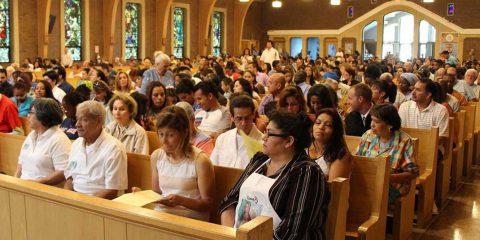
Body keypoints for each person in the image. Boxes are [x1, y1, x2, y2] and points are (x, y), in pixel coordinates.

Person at [219, 111, 327, 239]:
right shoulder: (259, 160)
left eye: (269, 133)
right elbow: (230, 201)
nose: (264, 137)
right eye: (265, 131)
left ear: (288, 141)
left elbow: (293, 231)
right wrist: (231, 235)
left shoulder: (306, 172)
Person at [142, 106, 215, 220]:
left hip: (191, 220)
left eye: (170, 135)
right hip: (163, 216)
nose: (164, 141)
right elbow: (156, 192)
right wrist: (141, 195)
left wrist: (180, 200)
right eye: (161, 134)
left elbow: (208, 204)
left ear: (184, 133)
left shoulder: (200, 161)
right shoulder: (157, 156)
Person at [356, 104, 419, 204]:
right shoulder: (368, 135)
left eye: (377, 122)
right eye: (372, 120)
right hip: (368, 181)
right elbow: (357, 160)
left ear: (390, 124)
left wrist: (386, 178)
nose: (372, 124)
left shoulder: (404, 141)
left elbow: (412, 173)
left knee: (365, 197)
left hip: (392, 185)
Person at [64, 100, 128, 199]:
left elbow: (112, 190)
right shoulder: (76, 144)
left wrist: (82, 204)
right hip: (76, 201)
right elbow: (69, 178)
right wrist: (66, 199)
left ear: (98, 121)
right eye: (77, 119)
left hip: (99, 206)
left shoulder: (114, 148)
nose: (77, 124)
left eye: (84, 120)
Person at [15, 98, 71, 185]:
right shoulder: (31, 135)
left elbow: (62, 172)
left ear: (43, 115)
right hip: (24, 187)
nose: (28, 115)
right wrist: (14, 183)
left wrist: (36, 183)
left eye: (31, 112)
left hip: (43, 191)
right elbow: (20, 164)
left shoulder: (59, 139)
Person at [211, 95, 263, 169]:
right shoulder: (222, 139)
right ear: (232, 118)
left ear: (253, 115)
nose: (243, 123)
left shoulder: (262, 143)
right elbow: (213, 166)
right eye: (239, 119)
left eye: (247, 118)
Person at [308, 108, 352, 180]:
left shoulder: (340, 154)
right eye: (318, 123)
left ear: (335, 131)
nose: (321, 127)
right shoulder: (304, 147)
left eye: (328, 125)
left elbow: (334, 188)